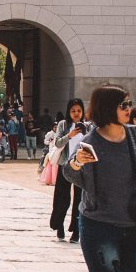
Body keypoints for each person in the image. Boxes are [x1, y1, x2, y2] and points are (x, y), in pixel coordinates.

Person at [64, 85, 136, 272]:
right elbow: (68, 171)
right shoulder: (90, 141)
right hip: (99, 224)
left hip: (135, 224)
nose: (129, 109)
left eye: (129, 104)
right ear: (108, 108)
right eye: (124, 104)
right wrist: (76, 163)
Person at [50, 98, 90, 243]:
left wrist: (85, 133)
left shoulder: (88, 126)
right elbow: (58, 142)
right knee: (62, 198)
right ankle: (59, 225)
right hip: (65, 166)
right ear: (68, 112)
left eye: (79, 111)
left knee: (79, 199)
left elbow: (92, 144)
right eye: (73, 111)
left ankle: (76, 230)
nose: (76, 114)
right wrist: (70, 135)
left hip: (81, 168)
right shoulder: (63, 124)